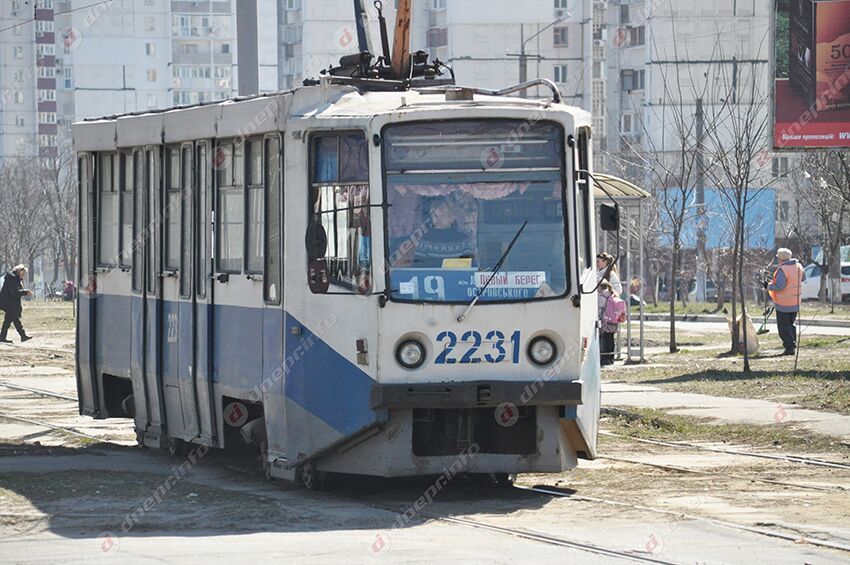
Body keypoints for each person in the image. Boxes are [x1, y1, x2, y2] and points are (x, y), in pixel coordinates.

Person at [412, 198, 475, 268]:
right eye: (435, 215)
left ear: (452, 218)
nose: (437, 219)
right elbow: (418, 267)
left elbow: (469, 265)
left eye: (442, 216)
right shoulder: (425, 240)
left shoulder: (463, 240)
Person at [766, 248, 805, 356]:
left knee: (783, 327)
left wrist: (768, 285)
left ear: (780, 259)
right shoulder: (799, 266)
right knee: (791, 325)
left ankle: (789, 347)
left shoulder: (783, 269)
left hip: (784, 303)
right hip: (795, 301)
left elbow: (780, 286)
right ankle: (792, 346)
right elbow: (802, 278)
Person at [0, 265, 34, 344]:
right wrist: (26, 292)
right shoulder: (13, 279)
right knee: (14, 319)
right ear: (20, 271)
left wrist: (24, 291)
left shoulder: (14, 278)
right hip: (8, 302)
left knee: (10, 319)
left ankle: (3, 337)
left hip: (9, 302)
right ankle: (22, 336)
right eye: (23, 273)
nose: (24, 275)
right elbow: (14, 292)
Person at [598, 280, 625, 366]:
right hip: (614, 321)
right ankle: (611, 358)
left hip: (605, 322)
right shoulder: (613, 294)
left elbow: (599, 308)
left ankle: (604, 358)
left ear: (600, 287)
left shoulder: (602, 296)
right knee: (611, 340)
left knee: (604, 339)